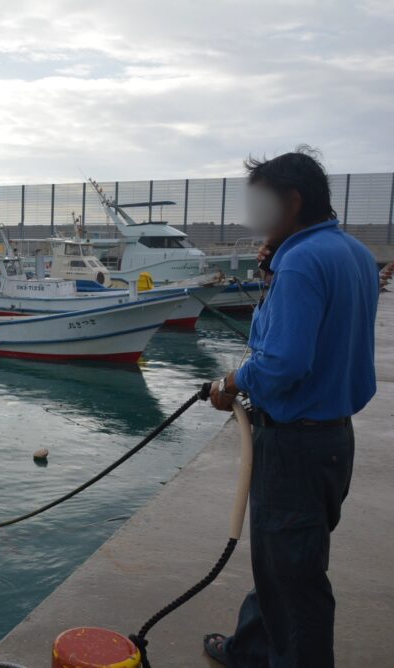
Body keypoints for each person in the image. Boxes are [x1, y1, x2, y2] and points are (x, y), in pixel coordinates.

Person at [203, 147, 378, 667]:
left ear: (293, 201)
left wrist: (231, 382)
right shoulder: (352, 252)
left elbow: (284, 361)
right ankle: (255, 648)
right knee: (281, 564)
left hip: (296, 444)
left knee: (295, 581)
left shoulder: (301, 262)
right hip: (330, 440)